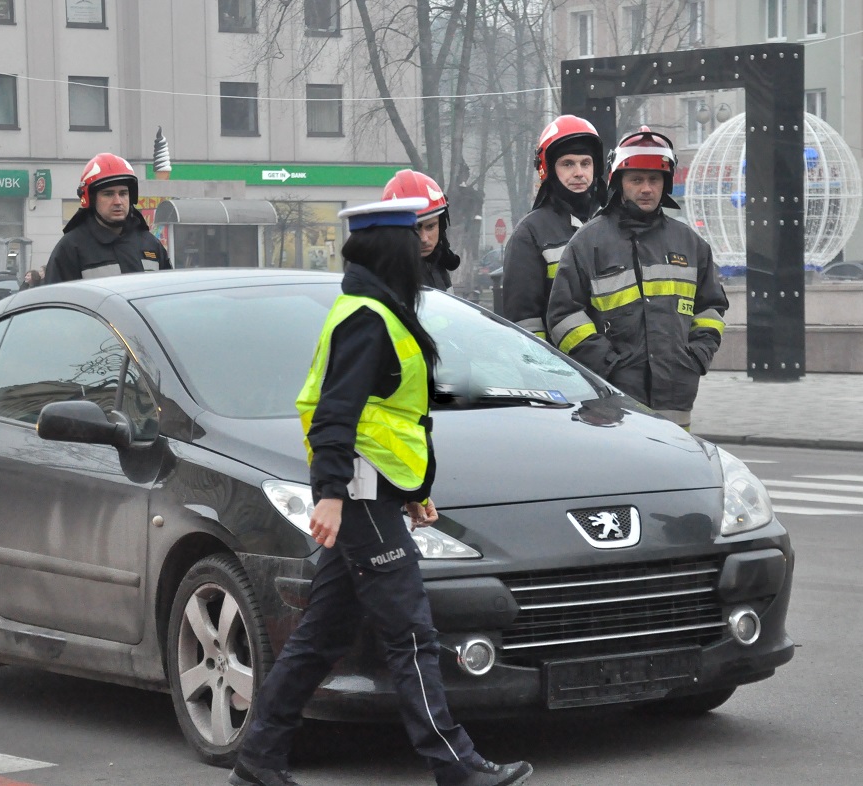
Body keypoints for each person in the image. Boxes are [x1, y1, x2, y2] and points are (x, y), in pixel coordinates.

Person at [228, 198, 532, 786]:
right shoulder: (368, 317)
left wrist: (410, 489)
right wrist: (331, 494)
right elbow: (335, 415)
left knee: (321, 637)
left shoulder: (379, 310)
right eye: (412, 237)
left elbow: (387, 415)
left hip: (373, 495)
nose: (423, 247)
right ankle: (455, 765)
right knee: (411, 634)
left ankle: (258, 760)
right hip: (359, 500)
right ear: (389, 248)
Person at [547, 126, 728, 431]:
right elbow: (563, 316)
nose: (646, 189)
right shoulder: (588, 242)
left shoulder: (689, 243)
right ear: (619, 183)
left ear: (665, 183)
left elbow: (711, 309)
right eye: (637, 180)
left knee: (675, 472)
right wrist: (608, 366)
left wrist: (696, 357)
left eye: (654, 180)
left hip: (676, 392)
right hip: (612, 398)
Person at [501, 115, 606, 339]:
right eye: (567, 164)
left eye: (585, 163)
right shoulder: (530, 234)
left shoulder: (611, 224)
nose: (579, 172)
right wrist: (546, 372)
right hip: (562, 369)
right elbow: (524, 323)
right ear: (547, 169)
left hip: (616, 368)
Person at [44, 153, 171, 283]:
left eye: (123, 193)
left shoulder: (150, 244)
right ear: (91, 200)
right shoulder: (70, 249)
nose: (118, 201)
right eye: (108, 194)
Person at [382, 169, 461, 291]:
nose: (424, 238)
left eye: (430, 226)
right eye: (415, 229)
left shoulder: (437, 263)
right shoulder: (388, 275)